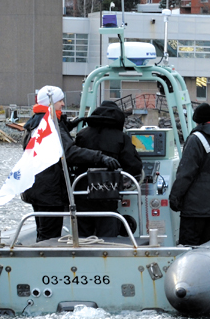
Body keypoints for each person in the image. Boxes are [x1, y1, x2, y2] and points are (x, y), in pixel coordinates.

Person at [21, 86, 120, 242]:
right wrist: (100, 157)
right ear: (50, 102)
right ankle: (46, 255)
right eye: (60, 101)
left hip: (37, 186)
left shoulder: (36, 121)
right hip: (49, 189)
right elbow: (69, 152)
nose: (62, 104)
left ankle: (40, 251)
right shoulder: (50, 124)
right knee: (49, 234)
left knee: (43, 230)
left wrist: (67, 126)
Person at [73, 100, 144, 238]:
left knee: (83, 234)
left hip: (82, 191)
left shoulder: (82, 135)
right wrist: (124, 181)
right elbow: (134, 165)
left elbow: (74, 158)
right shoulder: (121, 138)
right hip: (107, 192)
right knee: (107, 231)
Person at [169, 103, 210, 245]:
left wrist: (175, 198)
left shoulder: (196, 139)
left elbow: (185, 173)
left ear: (197, 120)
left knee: (189, 245)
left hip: (195, 207)